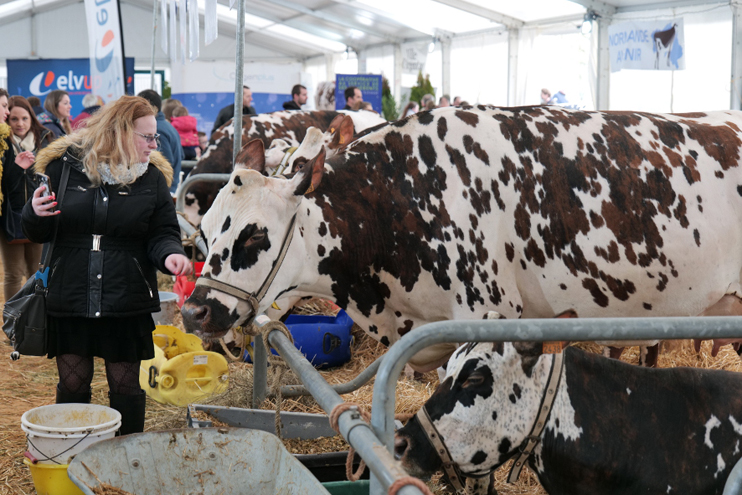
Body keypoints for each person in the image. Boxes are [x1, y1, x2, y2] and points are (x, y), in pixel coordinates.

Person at [22, 95, 192, 436]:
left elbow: (162, 231)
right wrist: (33, 213)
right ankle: (72, 455)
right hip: (71, 290)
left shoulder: (152, 177)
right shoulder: (63, 166)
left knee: (127, 385)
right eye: (147, 137)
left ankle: (126, 462)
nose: (154, 144)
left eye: (155, 136)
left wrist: (170, 253)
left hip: (125, 295)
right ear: (119, 132)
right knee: (73, 383)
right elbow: (40, 230)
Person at [1, 96, 54, 300]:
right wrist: (16, 168)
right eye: (14, 119)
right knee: (13, 274)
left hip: (38, 215)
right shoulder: (3, 144)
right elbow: (4, 185)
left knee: (37, 272)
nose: (20, 123)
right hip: (8, 217)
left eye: (24, 118)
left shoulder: (46, 140)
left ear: (32, 118)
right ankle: (13, 323)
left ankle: (35, 319)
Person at [137, 90, 183, 194]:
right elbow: (181, 155)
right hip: (169, 188)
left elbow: (166, 161)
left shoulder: (157, 129)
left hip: (164, 189)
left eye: (140, 106)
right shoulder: (168, 126)